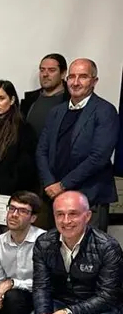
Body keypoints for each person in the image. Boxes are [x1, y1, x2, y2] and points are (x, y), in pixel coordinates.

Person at [27, 191, 122, 314]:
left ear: (87, 216)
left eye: (73, 214)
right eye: (60, 214)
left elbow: (108, 295)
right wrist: (44, 313)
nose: (66, 220)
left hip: (100, 309)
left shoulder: (108, 246)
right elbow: (41, 286)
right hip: (63, 302)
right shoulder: (44, 243)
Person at [36, 58, 120, 232]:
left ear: (94, 81)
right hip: (55, 197)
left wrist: (63, 185)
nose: (75, 82)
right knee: (56, 253)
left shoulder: (105, 111)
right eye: (72, 77)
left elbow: (99, 157)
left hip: (89, 197)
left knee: (88, 254)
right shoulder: (56, 112)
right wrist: (50, 183)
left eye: (83, 77)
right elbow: (42, 151)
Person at [21, 53, 70, 137]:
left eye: (51, 70)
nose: (45, 74)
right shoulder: (29, 100)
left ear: (63, 74)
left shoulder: (71, 101)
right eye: (42, 70)